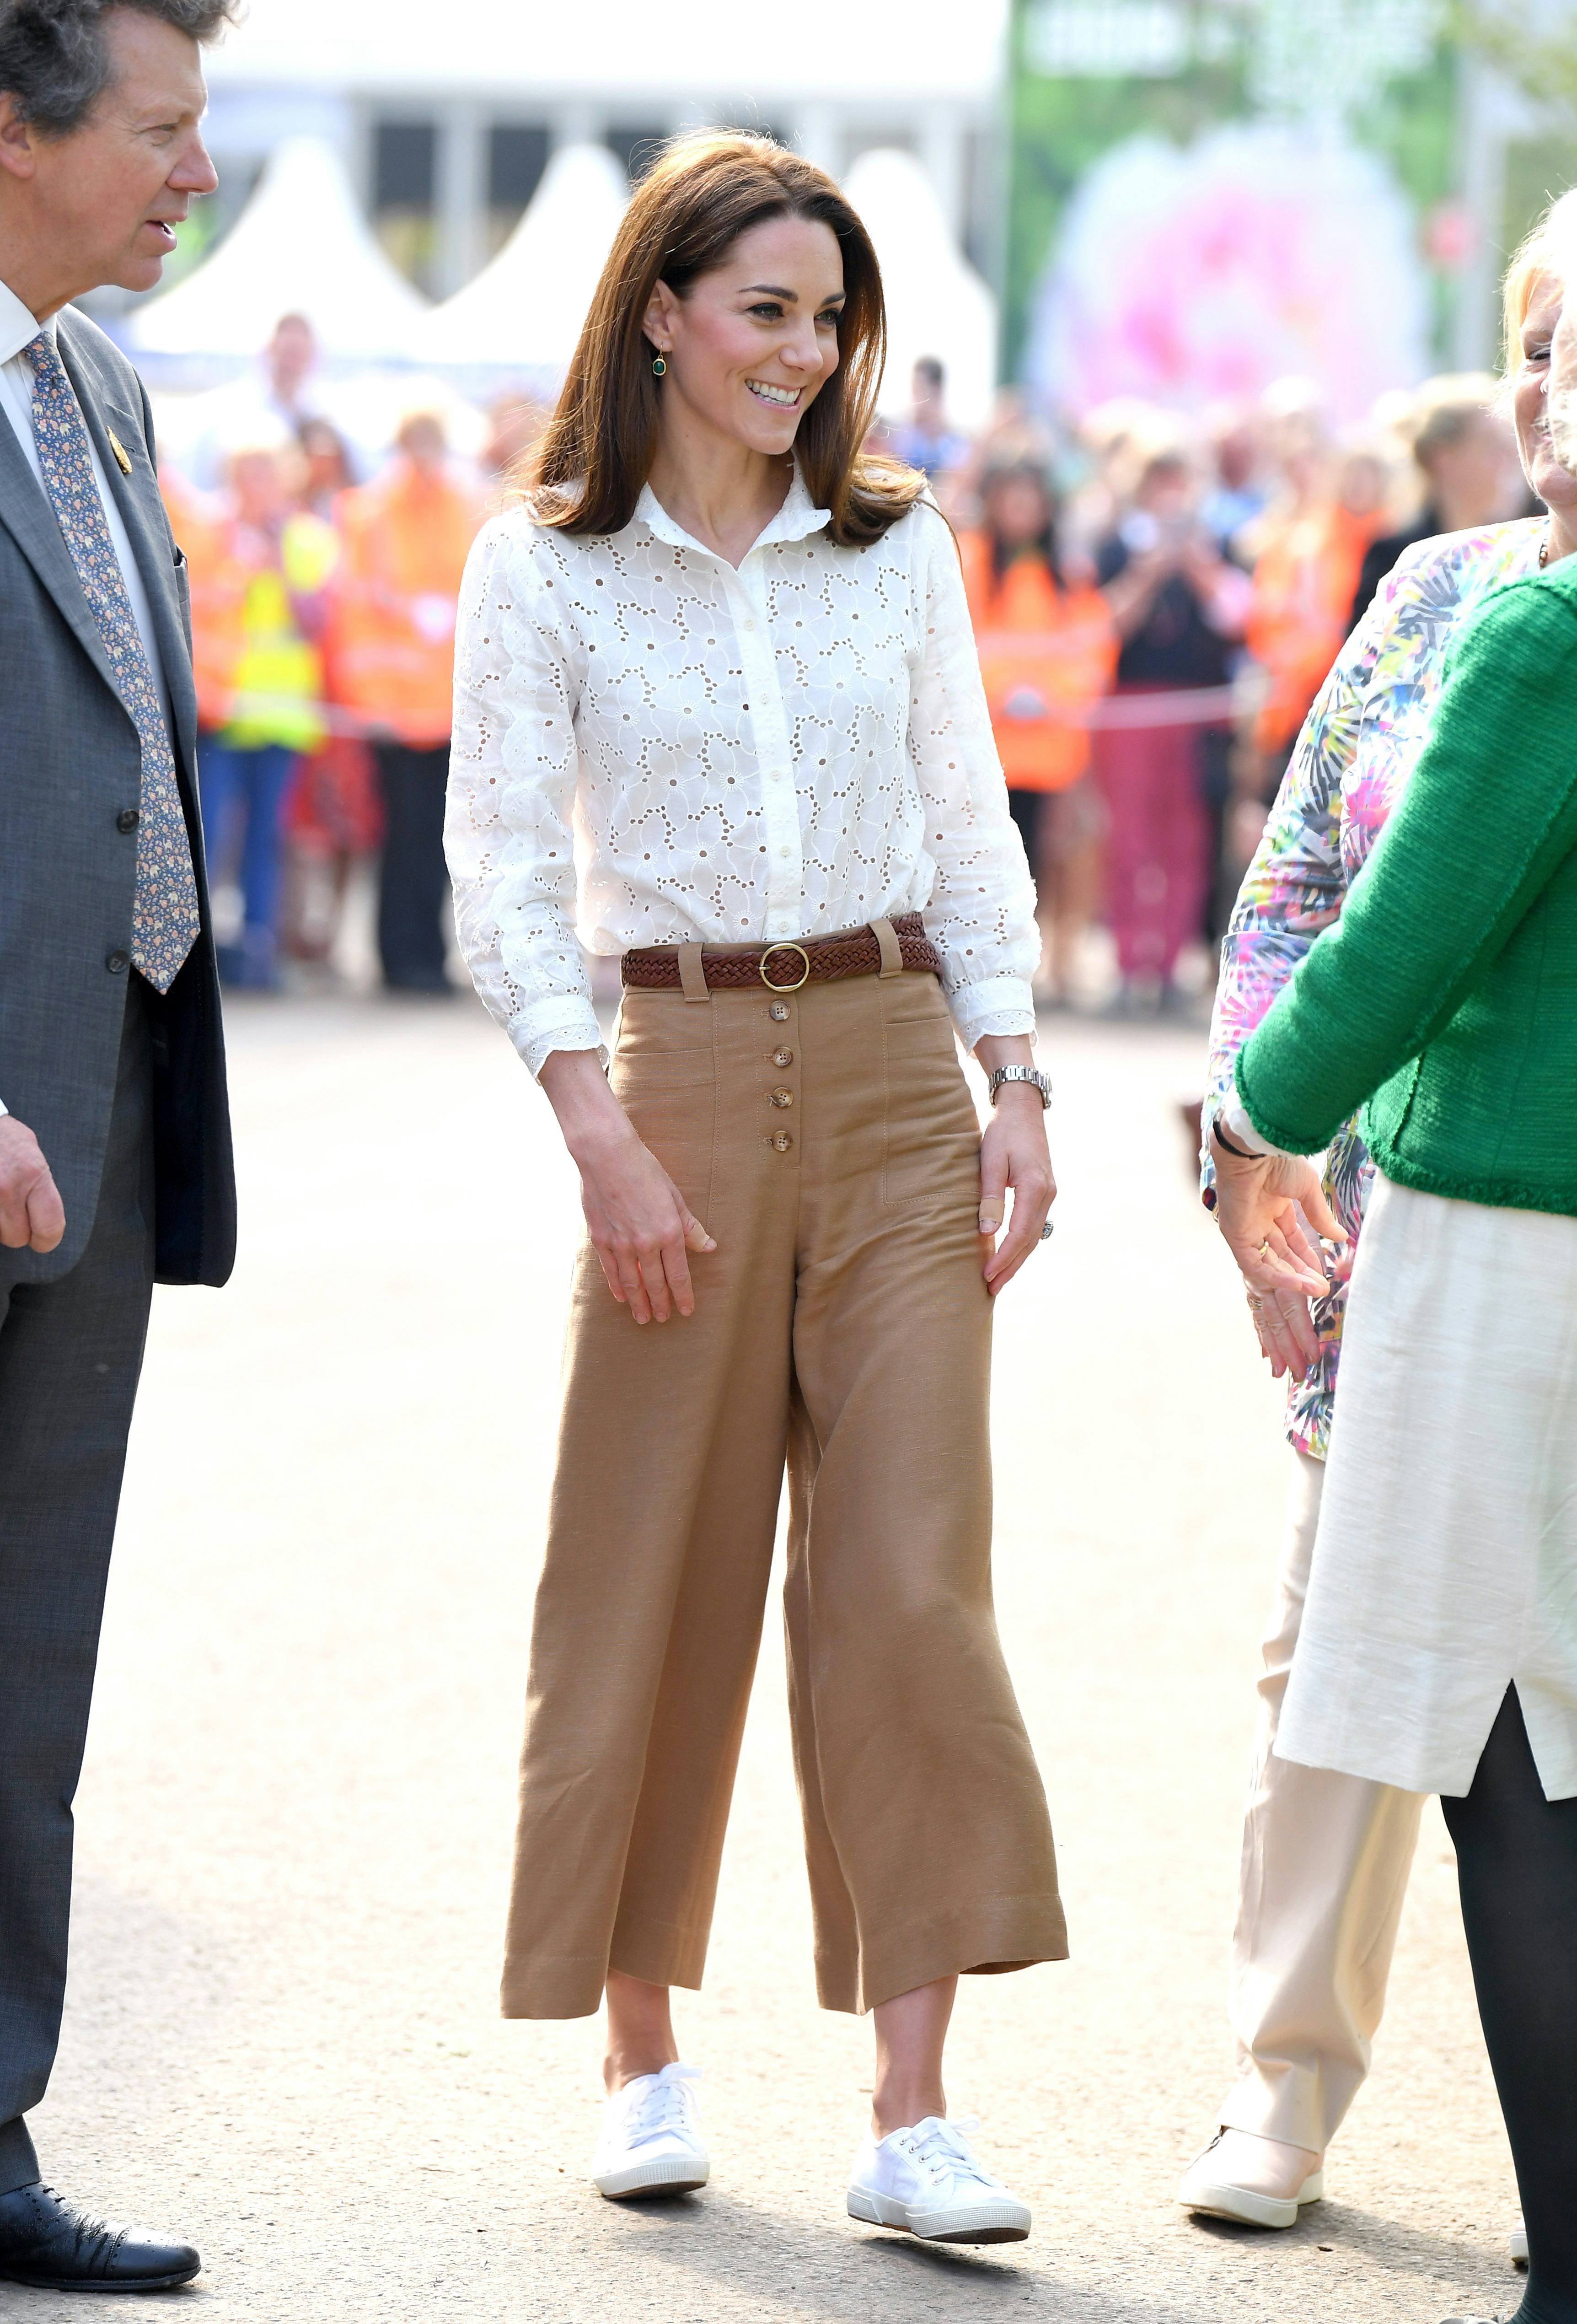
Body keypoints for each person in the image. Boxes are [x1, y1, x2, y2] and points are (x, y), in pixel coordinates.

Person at [446, 130, 1064, 2242]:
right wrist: (591, 1122)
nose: (804, 355)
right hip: (675, 1080)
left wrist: (1019, 1077)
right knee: (655, 1569)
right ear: (660, 315)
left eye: (828, 319)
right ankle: (640, 2044)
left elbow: (970, 823)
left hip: (901, 1068)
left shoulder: (898, 550)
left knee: (909, 1576)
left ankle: (912, 2105)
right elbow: (502, 871)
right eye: (767, 311)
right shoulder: (541, 563)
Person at [1181, 192, 1570, 2251]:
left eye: (1562, 345)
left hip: (1523, 1236)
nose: (1535, 384)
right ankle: (1282, 2080)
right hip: (1389, 1240)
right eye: (1522, 341)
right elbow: (1296, 899)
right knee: (1330, 1664)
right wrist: (1265, 1179)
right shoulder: (1430, 594)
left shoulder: (1538, 632)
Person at [0, 0, 237, 2291]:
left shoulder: (102, 391)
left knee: (26, 1666)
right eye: (159, 127)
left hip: (102, 1129)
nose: (194, 166)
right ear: (16, 127)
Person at [333, 407, 483, 992]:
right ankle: (402, 959)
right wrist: (368, 700)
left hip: (450, 709)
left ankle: (427, 956)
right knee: (403, 838)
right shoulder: (371, 513)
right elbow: (356, 611)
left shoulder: (465, 507)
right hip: (395, 711)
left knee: (443, 844)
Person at [1094, 445, 1249, 1008]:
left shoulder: (1216, 549)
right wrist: (1149, 572)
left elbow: (1239, 620)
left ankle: (1167, 969)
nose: (1171, 495)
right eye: (1161, 481)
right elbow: (1101, 627)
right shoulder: (1116, 547)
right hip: (1130, 710)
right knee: (1129, 840)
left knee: (1186, 841)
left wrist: (1198, 566)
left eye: (1180, 482)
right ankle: (1129, 962)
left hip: (1198, 711)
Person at [181, 428, 336, 987]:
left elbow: (316, 622)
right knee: (207, 837)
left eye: (266, 473)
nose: (255, 486)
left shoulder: (307, 539)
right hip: (218, 711)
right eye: (245, 474)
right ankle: (195, 956)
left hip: (280, 716)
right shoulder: (209, 536)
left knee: (267, 839)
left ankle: (258, 951)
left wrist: (274, 561)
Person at [959, 459, 1116, 1003]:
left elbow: (1091, 646)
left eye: (1030, 501)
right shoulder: (968, 562)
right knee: (989, 862)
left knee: (1055, 859)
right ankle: (992, 962)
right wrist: (1000, 691)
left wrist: (1056, 696)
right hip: (987, 745)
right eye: (1011, 499)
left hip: (1053, 749)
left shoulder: (1065, 574)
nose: (1021, 512)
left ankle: (1053, 963)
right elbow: (953, 639)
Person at [1349, 372, 1531, 627]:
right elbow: (1365, 659)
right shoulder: (1394, 559)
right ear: (1443, 459)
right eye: (1490, 443)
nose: (1507, 456)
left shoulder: (1526, 549)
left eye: (1505, 442)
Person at [888, 353, 967, 481]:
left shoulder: (953, 439)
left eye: (920, 388)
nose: (915, 396)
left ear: (937, 390)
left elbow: (958, 477)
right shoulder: (900, 430)